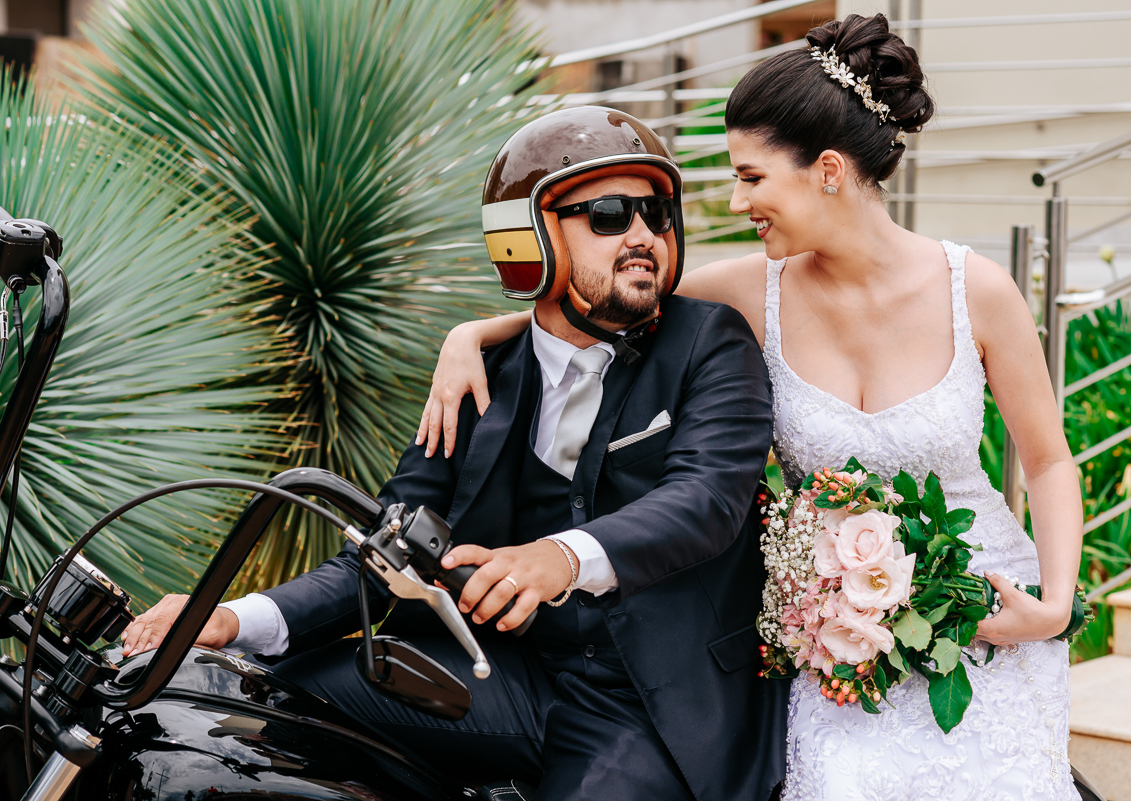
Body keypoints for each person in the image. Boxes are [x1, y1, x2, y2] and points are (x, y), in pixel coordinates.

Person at [417, 14, 1084, 801]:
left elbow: (1046, 459)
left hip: (984, 615)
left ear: (828, 170)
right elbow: (602, 297)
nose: (737, 202)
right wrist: (474, 334)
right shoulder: (748, 292)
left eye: (752, 176)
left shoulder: (977, 292)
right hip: (834, 639)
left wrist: (1054, 605)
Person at [121, 106, 788, 801]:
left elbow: (706, 499)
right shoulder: (480, 375)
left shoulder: (710, 342)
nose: (646, 234)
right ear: (529, 237)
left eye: (656, 212)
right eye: (613, 214)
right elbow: (388, 545)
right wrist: (231, 617)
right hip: (501, 675)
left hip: (652, 701)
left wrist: (561, 554)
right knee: (251, 703)